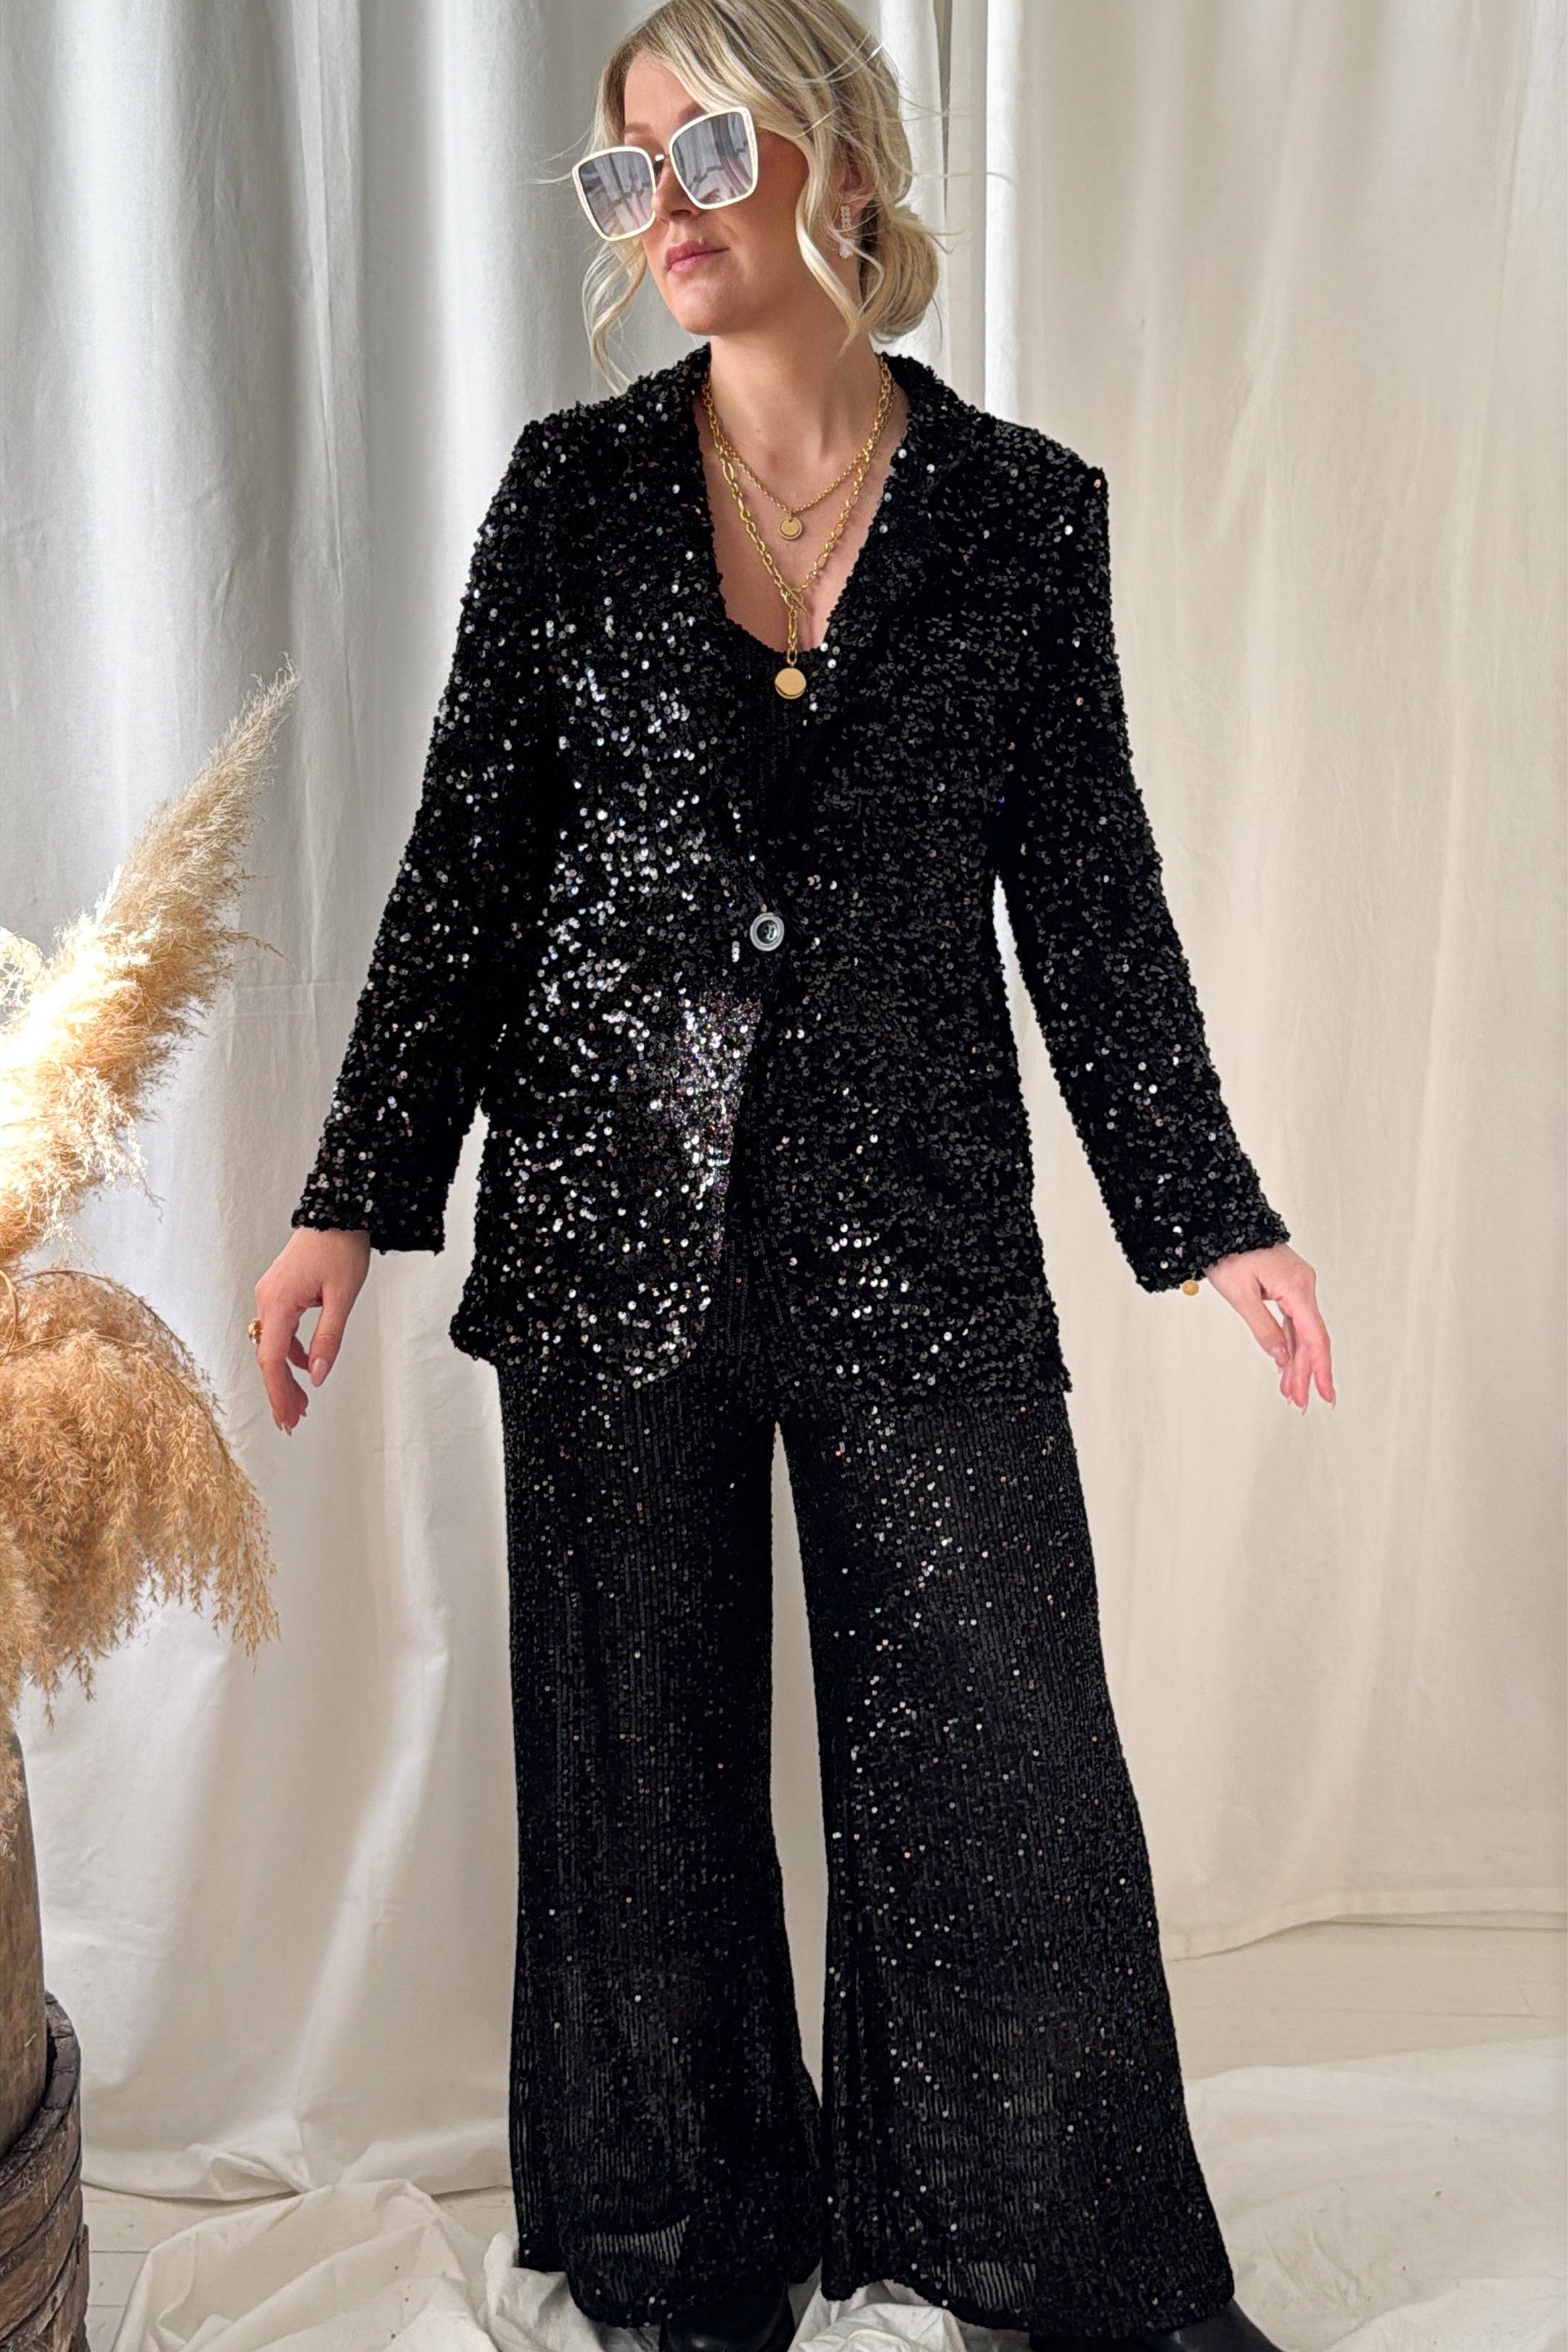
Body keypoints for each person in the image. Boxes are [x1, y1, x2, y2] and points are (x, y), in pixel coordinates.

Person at [253, 6, 1334, 2351]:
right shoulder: (567, 496)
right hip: (606, 1221)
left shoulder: (1024, 517)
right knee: (637, 1773)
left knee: (1005, 1748)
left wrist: (1210, 1211)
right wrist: (352, 1190)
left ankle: (1060, 2251)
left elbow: (1092, 895)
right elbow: (465, 875)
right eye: (622, 168)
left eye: (710, 145)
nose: (663, 203)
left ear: (837, 156)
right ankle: (682, 2252)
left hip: (914, 1218)